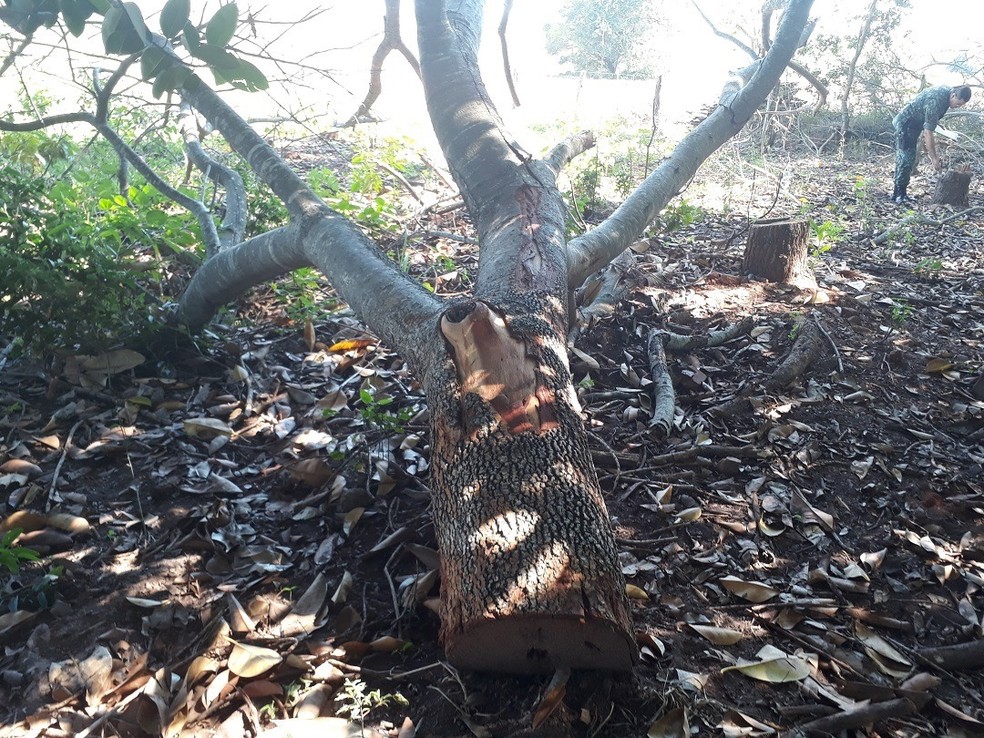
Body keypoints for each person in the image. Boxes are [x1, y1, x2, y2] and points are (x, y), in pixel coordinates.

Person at [892, 84, 971, 205]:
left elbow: (930, 118)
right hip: (906, 123)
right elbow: (928, 132)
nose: (957, 107)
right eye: (958, 103)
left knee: (906, 157)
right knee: (907, 158)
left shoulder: (947, 93)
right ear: (954, 95)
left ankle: (899, 192)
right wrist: (934, 158)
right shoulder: (936, 100)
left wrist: (937, 125)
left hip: (914, 124)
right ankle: (899, 194)